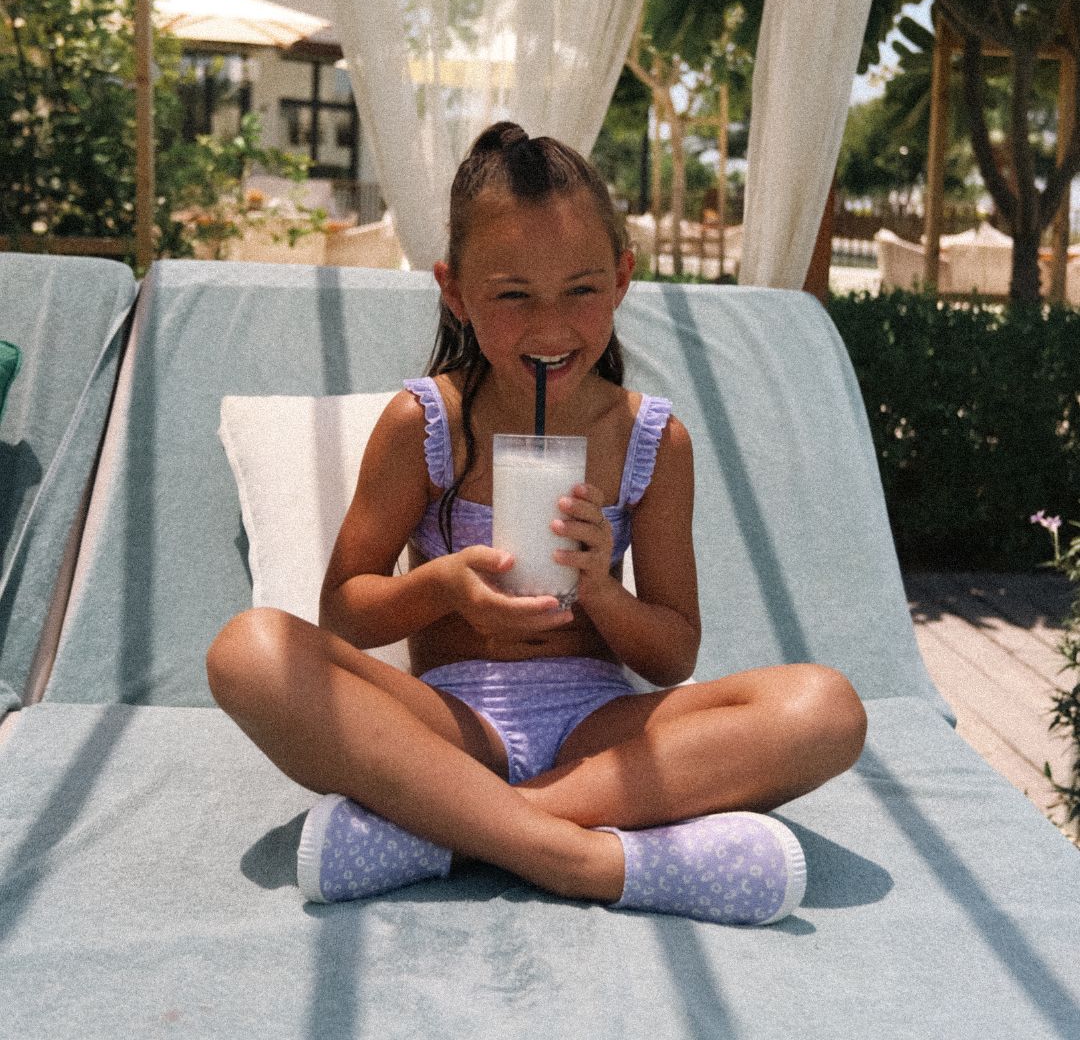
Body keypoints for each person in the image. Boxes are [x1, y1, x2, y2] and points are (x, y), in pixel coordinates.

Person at [206, 122, 867, 926]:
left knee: (826, 709)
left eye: (582, 290)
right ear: (455, 291)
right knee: (249, 652)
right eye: (513, 296)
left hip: (600, 731)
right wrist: (444, 586)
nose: (551, 327)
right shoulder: (425, 425)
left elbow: (671, 655)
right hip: (452, 726)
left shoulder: (651, 441)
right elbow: (344, 611)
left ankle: (450, 830)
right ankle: (586, 858)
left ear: (622, 279)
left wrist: (601, 590)